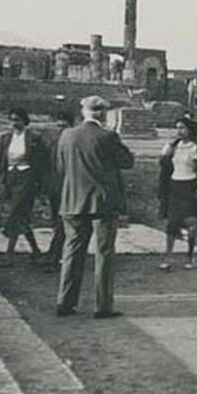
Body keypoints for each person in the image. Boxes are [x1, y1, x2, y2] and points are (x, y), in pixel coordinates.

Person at [55, 96, 135, 319]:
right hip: (103, 202)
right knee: (104, 253)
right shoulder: (108, 136)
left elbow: (60, 168)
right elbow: (127, 162)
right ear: (104, 113)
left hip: (73, 200)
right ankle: (103, 306)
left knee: (72, 251)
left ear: (84, 112)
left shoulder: (67, 135)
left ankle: (65, 302)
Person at [158, 117, 197, 271]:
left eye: (182, 128)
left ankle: (190, 257)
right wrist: (165, 154)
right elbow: (164, 166)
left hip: (190, 187)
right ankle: (168, 257)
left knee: (192, 224)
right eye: (177, 128)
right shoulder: (173, 146)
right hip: (174, 187)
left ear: (190, 130)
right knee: (172, 223)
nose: (179, 131)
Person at [0, 107, 49, 267]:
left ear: (24, 121)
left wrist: (40, 185)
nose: (14, 123)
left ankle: (9, 254)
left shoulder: (34, 138)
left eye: (17, 120)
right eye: (11, 120)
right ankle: (35, 250)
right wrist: (1, 182)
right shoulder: (6, 138)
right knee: (21, 217)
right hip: (11, 178)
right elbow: (2, 162)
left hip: (27, 179)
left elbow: (42, 162)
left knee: (15, 213)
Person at [42, 111, 75, 273]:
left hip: (70, 188)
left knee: (63, 223)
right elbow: (48, 167)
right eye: (59, 126)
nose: (61, 129)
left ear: (71, 126)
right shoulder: (54, 142)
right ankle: (55, 255)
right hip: (55, 188)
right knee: (57, 223)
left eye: (64, 126)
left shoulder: (74, 143)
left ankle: (54, 257)